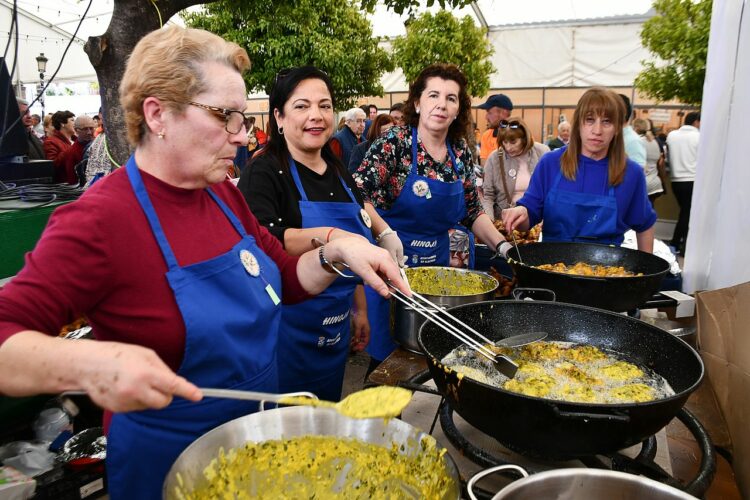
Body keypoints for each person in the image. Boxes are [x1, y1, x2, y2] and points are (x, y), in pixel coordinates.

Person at [0, 27, 407, 500]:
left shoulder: (223, 195)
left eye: (242, 116)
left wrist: (337, 253)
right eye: (224, 116)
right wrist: (87, 363)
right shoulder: (99, 219)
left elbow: (285, 276)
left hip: (254, 450)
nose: (241, 135)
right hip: (166, 469)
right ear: (157, 114)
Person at [237, 67, 399, 402]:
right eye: (302, 106)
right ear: (279, 117)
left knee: (325, 421)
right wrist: (330, 235)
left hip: (334, 328)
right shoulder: (265, 170)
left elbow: (356, 230)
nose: (316, 115)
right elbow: (264, 237)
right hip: (285, 331)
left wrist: (360, 310)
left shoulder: (336, 169)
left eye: (325, 106)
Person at [353, 63, 511, 368]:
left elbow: (472, 209)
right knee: (391, 365)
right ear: (418, 102)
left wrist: (502, 246)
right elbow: (358, 195)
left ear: (458, 109)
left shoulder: (460, 151)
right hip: (391, 270)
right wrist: (385, 233)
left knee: (438, 358)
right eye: (434, 95)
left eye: (451, 98)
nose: (442, 104)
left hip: (438, 277)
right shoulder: (395, 144)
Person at [503, 88, 656, 252]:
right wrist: (521, 213)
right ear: (578, 124)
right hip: (552, 266)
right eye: (589, 120)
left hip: (607, 270)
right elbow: (531, 212)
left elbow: (644, 225)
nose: (597, 131)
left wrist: (646, 272)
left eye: (606, 122)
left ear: (617, 128)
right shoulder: (551, 163)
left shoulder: (631, 173)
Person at [482, 117, 550, 220]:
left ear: (524, 138)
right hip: (505, 223)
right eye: (504, 142)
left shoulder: (543, 152)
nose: (508, 147)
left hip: (538, 220)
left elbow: (551, 191)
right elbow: (488, 196)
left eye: (513, 142)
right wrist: (489, 224)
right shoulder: (494, 158)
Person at [666, 111, 700, 255]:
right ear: (696, 122)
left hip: (675, 180)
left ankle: (678, 243)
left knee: (685, 212)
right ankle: (678, 244)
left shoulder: (672, 136)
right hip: (692, 179)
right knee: (687, 213)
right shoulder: (699, 136)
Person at [633, 117, 666, 206]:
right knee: (649, 212)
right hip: (655, 183)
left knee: (638, 214)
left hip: (643, 184)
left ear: (635, 128)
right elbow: (660, 161)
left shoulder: (638, 141)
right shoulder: (654, 141)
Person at [477, 93, 513, 166]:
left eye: (489, 113)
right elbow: (485, 167)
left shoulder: (521, 135)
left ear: (503, 113)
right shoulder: (487, 136)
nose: (486, 117)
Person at [43, 110, 77, 183]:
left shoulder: (76, 140)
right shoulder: (50, 142)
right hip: (65, 186)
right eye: (72, 120)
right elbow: (53, 165)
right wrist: (71, 148)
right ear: (62, 124)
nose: (75, 123)